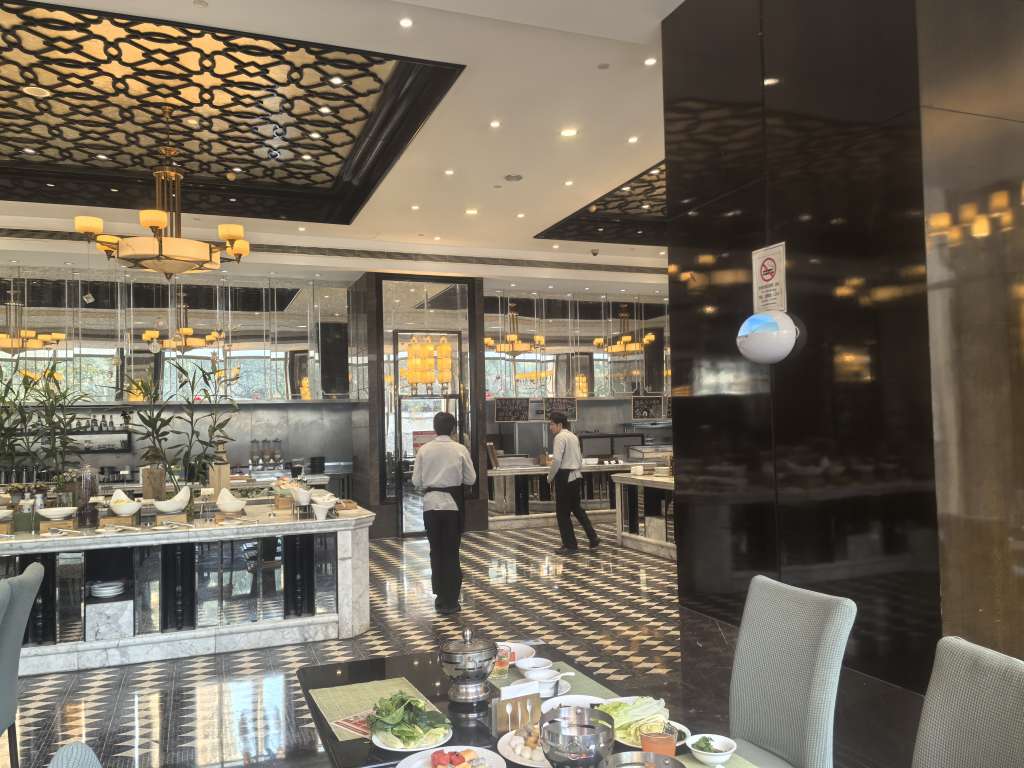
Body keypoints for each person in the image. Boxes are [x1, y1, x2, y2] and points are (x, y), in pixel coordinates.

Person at [412, 411, 477, 615]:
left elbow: (416, 481)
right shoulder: (460, 449)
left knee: (436, 550)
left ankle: (440, 597)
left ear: (434, 428)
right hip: (452, 506)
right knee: (451, 551)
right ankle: (452, 599)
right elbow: (471, 479)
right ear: (453, 428)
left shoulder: (424, 450)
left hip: (430, 505)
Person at [547, 411, 600, 555]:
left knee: (562, 513)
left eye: (551, 424)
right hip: (576, 475)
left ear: (559, 425)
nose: (550, 427)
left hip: (565, 476)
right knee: (577, 509)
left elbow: (557, 460)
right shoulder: (573, 436)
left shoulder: (559, 437)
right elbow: (579, 457)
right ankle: (593, 538)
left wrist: (550, 477)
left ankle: (570, 545)